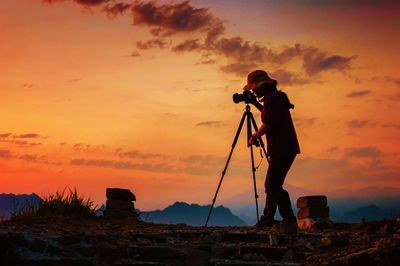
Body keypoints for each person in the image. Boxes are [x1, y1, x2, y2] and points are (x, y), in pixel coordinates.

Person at [244, 70, 300, 232]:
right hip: (285, 147)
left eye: (254, 88)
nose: (253, 91)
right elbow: (270, 115)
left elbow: (269, 123)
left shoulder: (272, 100)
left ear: (261, 86)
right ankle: (268, 218)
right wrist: (255, 103)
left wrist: (254, 136)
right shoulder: (275, 98)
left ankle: (289, 220)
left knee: (273, 185)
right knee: (272, 184)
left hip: (282, 147)